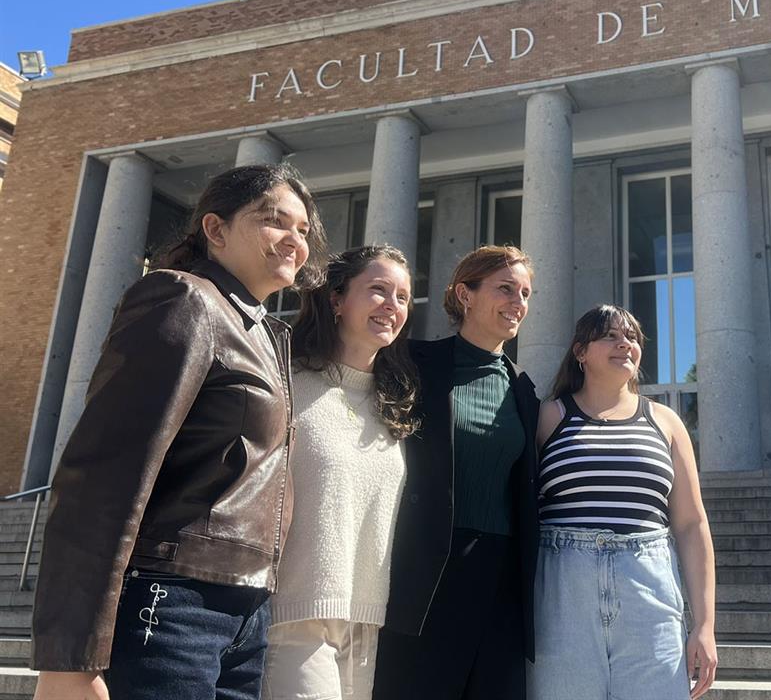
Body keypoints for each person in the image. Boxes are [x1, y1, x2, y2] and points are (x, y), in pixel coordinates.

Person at [31, 164, 326, 700]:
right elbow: (102, 475)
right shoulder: (181, 300)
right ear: (215, 229)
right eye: (274, 221)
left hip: (246, 610)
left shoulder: (263, 332)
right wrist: (69, 659)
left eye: (303, 230)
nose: (294, 240)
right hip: (172, 604)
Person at [373, 245, 540, 700]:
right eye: (505, 288)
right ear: (464, 295)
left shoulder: (524, 390)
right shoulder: (411, 364)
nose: (518, 302)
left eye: (525, 293)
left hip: (502, 580)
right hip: (427, 572)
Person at [531, 305, 718, 700]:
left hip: (649, 593)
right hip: (564, 594)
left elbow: (690, 524)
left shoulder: (665, 421)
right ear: (580, 352)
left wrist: (704, 625)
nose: (625, 344)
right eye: (610, 336)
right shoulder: (549, 416)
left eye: (632, 337)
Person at [261, 245, 418, 700]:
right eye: (378, 290)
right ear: (336, 300)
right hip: (292, 617)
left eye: (404, 297)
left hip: (364, 623)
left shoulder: (393, 401)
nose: (392, 305)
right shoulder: (286, 379)